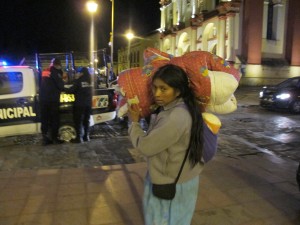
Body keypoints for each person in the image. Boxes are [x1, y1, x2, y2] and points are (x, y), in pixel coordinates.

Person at [127, 64, 205, 225]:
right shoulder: (184, 107)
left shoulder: (175, 116)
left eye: (164, 89)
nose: (157, 94)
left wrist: (134, 123)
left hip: (171, 182)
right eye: (155, 88)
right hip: (184, 177)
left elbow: (145, 147)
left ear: (179, 90)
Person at [40, 58, 65, 145]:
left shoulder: (45, 71)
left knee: (45, 119)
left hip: (43, 99)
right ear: (57, 65)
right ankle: (54, 139)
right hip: (52, 100)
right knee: (54, 119)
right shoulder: (56, 72)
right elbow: (60, 85)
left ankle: (45, 139)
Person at [65, 67, 93, 143]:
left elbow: (71, 90)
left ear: (82, 73)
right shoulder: (90, 81)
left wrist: (63, 89)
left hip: (80, 104)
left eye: (79, 72)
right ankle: (86, 136)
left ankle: (78, 138)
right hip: (88, 104)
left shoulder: (79, 81)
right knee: (86, 121)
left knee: (78, 121)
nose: (77, 73)